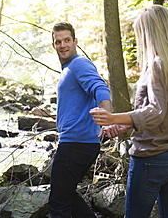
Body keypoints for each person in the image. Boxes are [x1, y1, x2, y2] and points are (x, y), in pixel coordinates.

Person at [90, 5, 168, 218]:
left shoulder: (156, 65)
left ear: (151, 33)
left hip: (151, 158)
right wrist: (125, 124)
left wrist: (112, 117)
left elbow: (156, 111)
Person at [48, 22, 112, 218]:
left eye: (67, 40)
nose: (63, 45)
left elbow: (100, 88)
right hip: (79, 144)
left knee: (58, 203)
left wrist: (107, 116)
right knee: (65, 195)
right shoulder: (68, 68)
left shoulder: (79, 64)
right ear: (53, 45)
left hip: (75, 144)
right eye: (58, 42)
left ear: (75, 41)